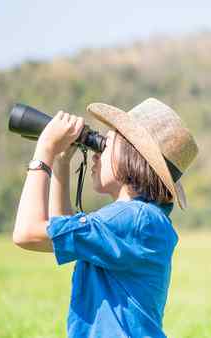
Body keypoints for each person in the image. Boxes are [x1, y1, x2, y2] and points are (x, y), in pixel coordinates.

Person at [12, 98, 199, 338]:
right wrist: (61, 163)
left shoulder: (134, 219)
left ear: (133, 157)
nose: (95, 153)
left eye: (105, 144)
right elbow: (63, 236)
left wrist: (44, 150)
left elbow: (27, 233)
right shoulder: (141, 220)